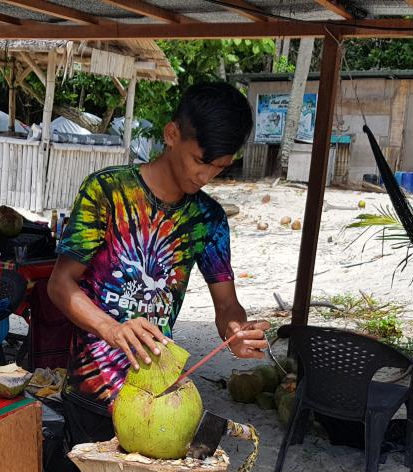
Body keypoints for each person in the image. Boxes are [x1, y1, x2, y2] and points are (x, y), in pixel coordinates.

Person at [48, 82, 270, 445]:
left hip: (157, 399)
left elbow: (226, 304)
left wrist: (237, 331)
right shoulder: (107, 192)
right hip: (92, 389)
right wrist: (112, 329)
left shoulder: (208, 218)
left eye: (219, 167)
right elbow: (60, 284)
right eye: (200, 161)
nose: (205, 176)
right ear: (172, 134)